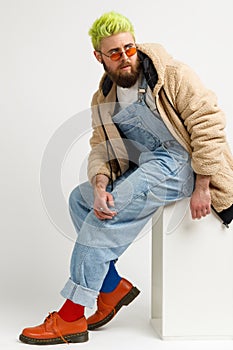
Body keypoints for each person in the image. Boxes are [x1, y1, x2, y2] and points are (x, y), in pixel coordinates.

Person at [19, 11, 233, 345]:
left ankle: (72, 315)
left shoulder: (170, 73)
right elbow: (100, 148)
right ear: (99, 57)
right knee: (81, 200)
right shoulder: (103, 97)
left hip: (181, 162)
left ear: (136, 44)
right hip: (144, 166)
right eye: (114, 53)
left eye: (129, 49)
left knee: (109, 212)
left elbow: (209, 122)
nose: (125, 59)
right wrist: (100, 183)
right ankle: (111, 287)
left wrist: (203, 184)